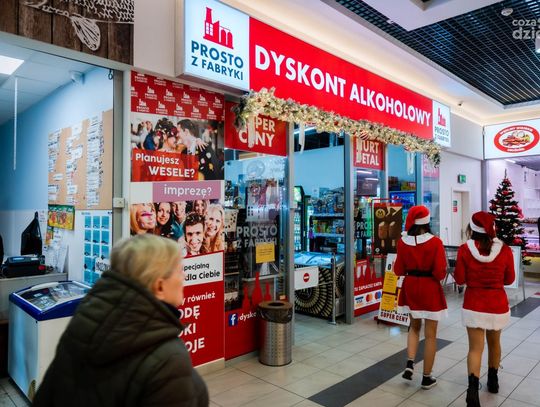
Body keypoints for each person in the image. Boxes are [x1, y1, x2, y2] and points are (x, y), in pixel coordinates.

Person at [33, 234, 209, 407]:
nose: (184, 277)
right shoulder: (168, 358)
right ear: (160, 286)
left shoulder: (85, 321)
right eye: (180, 271)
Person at [454, 212, 515, 407]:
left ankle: (472, 391)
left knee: (475, 348)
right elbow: (510, 279)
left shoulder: (465, 250)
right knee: (494, 343)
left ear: (471, 229)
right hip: (497, 304)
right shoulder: (504, 250)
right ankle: (493, 381)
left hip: (474, 304)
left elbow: (460, 279)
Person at [394, 205, 447, 390]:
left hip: (410, 287)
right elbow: (440, 273)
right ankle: (426, 377)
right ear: (427, 222)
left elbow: (398, 270)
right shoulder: (436, 242)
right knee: (431, 335)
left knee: (414, 327)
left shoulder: (402, 242)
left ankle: (410, 363)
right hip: (430, 288)